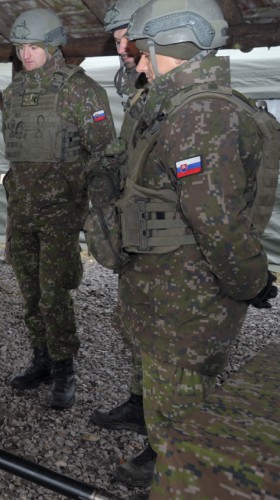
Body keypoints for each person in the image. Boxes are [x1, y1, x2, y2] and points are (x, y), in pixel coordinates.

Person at [112, 0, 278, 489]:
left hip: (187, 302)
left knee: (180, 429)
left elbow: (218, 225)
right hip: (170, 292)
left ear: (172, 47)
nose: (139, 62)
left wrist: (252, 282)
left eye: (146, 51)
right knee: (172, 413)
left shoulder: (200, 116)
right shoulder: (184, 107)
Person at [3, 8, 115, 409]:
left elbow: (105, 152)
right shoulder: (13, 93)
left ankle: (65, 368)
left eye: (33, 46)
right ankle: (42, 360)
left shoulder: (80, 90)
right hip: (23, 210)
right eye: (20, 47)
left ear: (53, 46)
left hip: (60, 213)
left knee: (53, 295)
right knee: (29, 293)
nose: (26, 54)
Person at [88, 0, 149, 436]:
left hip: (165, 240)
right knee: (136, 325)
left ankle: (168, 438)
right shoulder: (141, 94)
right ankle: (140, 402)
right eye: (117, 40)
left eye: (129, 37)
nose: (123, 48)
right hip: (138, 231)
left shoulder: (181, 99)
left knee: (168, 344)